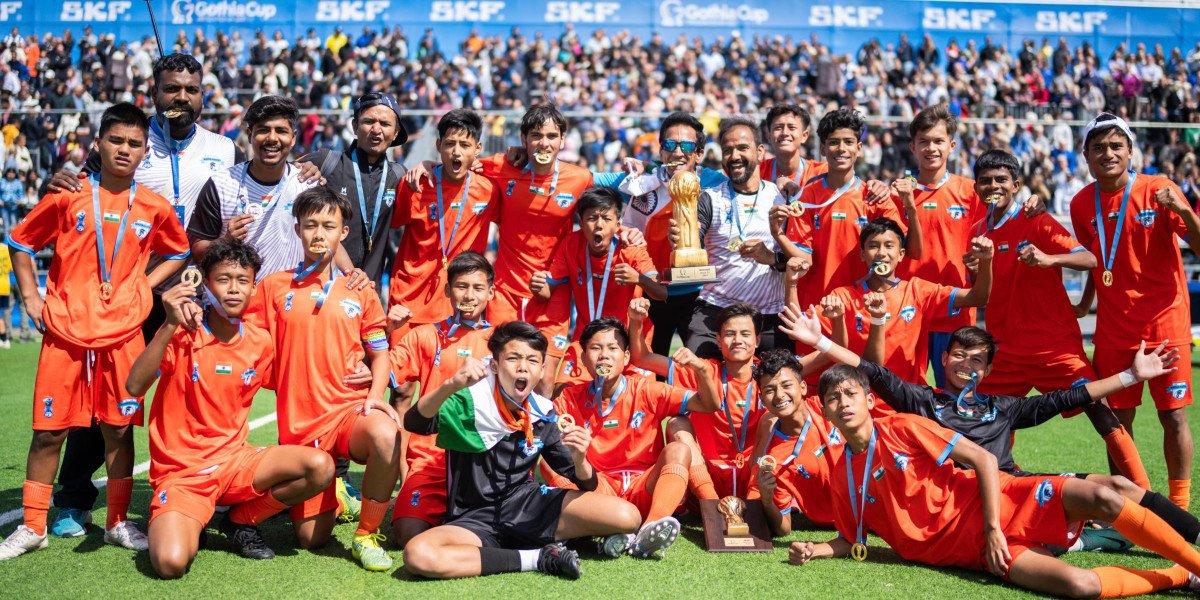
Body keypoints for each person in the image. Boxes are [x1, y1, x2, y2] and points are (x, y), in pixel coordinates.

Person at [788, 362, 1200, 599]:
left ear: (869, 400)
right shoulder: (842, 471)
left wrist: (991, 528)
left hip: (1002, 503)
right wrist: (814, 549)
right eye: (833, 399)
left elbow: (985, 460)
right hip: (977, 553)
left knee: (1103, 495)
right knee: (1081, 587)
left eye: (850, 394)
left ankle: (1195, 561)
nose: (842, 404)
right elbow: (850, 537)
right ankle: (1181, 576)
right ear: (823, 410)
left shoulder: (903, 426)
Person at [44, 53, 240, 539]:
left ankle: (195, 488)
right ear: (154, 92)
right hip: (126, 292)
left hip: (197, 294)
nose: (181, 98)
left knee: (193, 393)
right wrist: (61, 180)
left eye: (190, 90)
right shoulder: (128, 141)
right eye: (172, 89)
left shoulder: (224, 148)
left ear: (203, 95)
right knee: (103, 402)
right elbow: (83, 190)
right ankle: (73, 500)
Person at [0, 103, 191, 559]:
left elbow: (179, 251)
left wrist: (143, 285)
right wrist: (31, 298)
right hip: (65, 332)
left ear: (146, 151)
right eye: (116, 141)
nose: (124, 150)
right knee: (49, 433)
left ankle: (117, 524)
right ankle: (32, 526)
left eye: (134, 143)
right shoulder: (68, 195)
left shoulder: (153, 206)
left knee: (119, 430)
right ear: (99, 144)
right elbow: (21, 241)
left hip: (123, 334)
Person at [126, 239, 334, 577]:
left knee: (319, 467)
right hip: (184, 475)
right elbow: (134, 385)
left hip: (236, 462)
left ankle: (240, 519)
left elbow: (301, 378)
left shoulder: (260, 341)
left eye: (242, 280)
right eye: (223, 279)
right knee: (170, 563)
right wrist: (167, 324)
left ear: (254, 287)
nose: (233, 289)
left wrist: (366, 369)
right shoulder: (182, 331)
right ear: (206, 285)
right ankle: (192, 516)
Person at [402, 321, 644, 580]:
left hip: (528, 506)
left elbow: (581, 480)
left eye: (532, 360)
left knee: (627, 515)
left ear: (541, 370)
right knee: (419, 553)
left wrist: (581, 459)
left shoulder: (543, 411)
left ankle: (562, 541)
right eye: (513, 358)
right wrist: (451, 384)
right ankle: (538, 557)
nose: (522, 367)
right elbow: (414, 422)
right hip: (474, 518)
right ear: (494, 365)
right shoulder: (469, 401)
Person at [972, 148, 1150, 489]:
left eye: (1001, 180)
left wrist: (1048, 259)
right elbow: (982, 293)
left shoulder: (1036, 220)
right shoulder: (979, 231)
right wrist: (977, 269)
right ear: (977, 187)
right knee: (985, 416)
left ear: (1016, 184)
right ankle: (1001, 487)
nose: (993, 185)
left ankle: (1146, 497)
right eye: (985, 181)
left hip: (1054, 349)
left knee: (1099, 409)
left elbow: (1090, 259)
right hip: (1005, 350)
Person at [244, 187, 400, 571]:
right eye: (310, 225)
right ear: (297, 229)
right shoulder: (273, 287)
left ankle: (366, 535)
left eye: (328, 226)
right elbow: (249, 345)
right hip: (300, 424)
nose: (319, 234)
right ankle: (336, 496)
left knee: (385, 433)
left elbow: (380, 352)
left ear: (343, 232)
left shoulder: (360, 290)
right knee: (310, 539)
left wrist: (375, 397)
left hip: (348, 411)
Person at [1069, 113, 1199, 509]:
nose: (1107, 154)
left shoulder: (1159, 188)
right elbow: (1096, 258)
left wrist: (1186, 211)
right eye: (1098, 148)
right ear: (1087, 157)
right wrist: (1086, 302)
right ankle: (1127, 511)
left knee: (1172, 416)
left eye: (1115, 146)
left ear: (1130, 151)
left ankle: (1177, 506)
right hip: (1114, 328)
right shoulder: (1080, 202)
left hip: (1165, 322)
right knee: (1117, 426)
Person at [549, 318, 721, 556]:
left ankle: (649, 529)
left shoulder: (646, 389)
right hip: (599, 490)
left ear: (627, 357)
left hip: (646, 488)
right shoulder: (569, 398)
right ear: (584, 359)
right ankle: (609, 528)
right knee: (551, 461)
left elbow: (709, 404)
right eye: (596, 348)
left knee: (679, 450)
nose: (604, 355)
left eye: (613, 348)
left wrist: (701, 370)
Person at [388, 251, 496, 546]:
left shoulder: (502, 340)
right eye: (461, 286)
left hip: (482, 461)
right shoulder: (425, 335)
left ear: (491, 292)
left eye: (477, 287)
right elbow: (382, 373)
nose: (469, 295)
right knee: (407, 536)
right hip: (431, 459)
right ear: (448, 290)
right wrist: (386, 331)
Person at [775, 108, 918, 320]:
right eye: (833, 142)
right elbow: (804, 260)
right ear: (823, 148)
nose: (841, 148)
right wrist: (778, 233)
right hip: (817, 310)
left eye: (848, 142)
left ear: (859, 148)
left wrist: (910, 209)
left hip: (864, 310)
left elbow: (907, 250)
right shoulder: (806, 198)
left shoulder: (874, 197)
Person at [667, 117, 792, 357]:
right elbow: (691, 237)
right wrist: (681, 238)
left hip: (769, 315)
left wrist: (772, 258)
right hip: (716, 310)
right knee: (696, 376)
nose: (734, 156)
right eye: (727, 150)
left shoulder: (781, 197)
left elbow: (802, 259)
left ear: (761, 152)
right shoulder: (709, 198)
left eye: (742, 148)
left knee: (779, 386)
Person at [821, 217, 993, 389]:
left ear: (901, 254)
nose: (881, 253)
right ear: (862, 254)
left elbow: (977, 298)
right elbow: (822, 341)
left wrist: (986, 261)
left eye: (889, 246)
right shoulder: (843, 297)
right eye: (873, 246)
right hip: (861, 397)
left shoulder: (917, 291)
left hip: (908, 400)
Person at [615, 112, 727, 358]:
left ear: (699, 153)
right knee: (651, 370)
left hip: (700, 292)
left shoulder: (717, 183)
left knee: (701, 366)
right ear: (661, 151)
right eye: (670, 145)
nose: (678, 152)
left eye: (687, 145)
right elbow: (598, 181)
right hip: (653, 290)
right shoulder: (643, 184)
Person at [531, 186, 664, 387]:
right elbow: (546, 291)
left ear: (618, 223)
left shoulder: (630, 248)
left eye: (606, 219)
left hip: (631, 343)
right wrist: (537, 285)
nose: (599, 225)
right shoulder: (570, 245)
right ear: (582, 222)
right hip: (587, 340)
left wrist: (639, 278)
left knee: (642, 403)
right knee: (562, 395)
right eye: (592, 218)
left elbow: (661, 293)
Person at [894, 105, 985, 387]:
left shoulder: (971, 192)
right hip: (910, 312)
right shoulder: (899, 194)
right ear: (913, 146)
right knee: (907, 393)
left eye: (938, 141)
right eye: (923, 141)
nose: (931, 148)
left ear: (952, 145)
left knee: (957, 393)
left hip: (956, 310)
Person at [188, 95, 326, 279]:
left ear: (293, 138)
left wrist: (352, 273)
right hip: (237, 302)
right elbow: (197, 251)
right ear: (249, 133)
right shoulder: (221, 184)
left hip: (289, 301)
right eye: (263, 130)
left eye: (281, 131)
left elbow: (329, 243)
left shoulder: (308, 184)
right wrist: (225, 241)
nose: (272, 138)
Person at [388, 109, 496, 342]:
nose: (456, 152)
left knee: (447, 376)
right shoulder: (416, 184)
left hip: (457, 300)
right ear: (438, 145)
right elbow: (392, 223)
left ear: (477, 149)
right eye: (449, 144)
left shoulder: (489, 191)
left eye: (465, 145)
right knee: (400, 376)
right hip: (410, 296)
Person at [298, 92, 408, 284]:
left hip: (369, 292)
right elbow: (276, 177)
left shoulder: (398, 177)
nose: (376, 129)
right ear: (355, 127)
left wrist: (428, 165)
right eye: (369, 121)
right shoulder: (325, 163)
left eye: (385, 124)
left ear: (396, 133)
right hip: (321, 289)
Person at [748, 349, 839, 536]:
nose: (780, 395)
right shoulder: (773, 458)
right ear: (762, 400)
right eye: (769, 390)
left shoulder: (830, 409)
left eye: (786, 385)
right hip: (834, 522)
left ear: (803, 387)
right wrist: (767, 500)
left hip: (873, 507)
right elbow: (784, 529)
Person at [759, 104, 828, 197]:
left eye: (792, 127)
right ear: (769, 136)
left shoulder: (822, 173)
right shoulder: (757, 172)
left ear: (804, 136)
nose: (785, 133)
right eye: (778, 128)